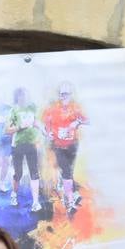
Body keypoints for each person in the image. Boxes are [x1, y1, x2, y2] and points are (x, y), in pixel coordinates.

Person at [43, 81, 88, 214]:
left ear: (71, 94)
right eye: (62, 94)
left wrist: (77, 122)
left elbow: (88, 120)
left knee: (69, 172)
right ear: (59, 95)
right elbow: (46, 126)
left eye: (67, 94)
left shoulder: (76, 108)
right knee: (67, 172)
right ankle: (70, 202)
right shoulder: (52, 110)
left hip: (73, 145)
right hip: (58, 146)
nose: (64, 97)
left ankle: (68, 193)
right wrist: (48, 133)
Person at [7, 87, 43, 212]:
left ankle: (36, 202)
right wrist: (20, 127)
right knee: (19, 173)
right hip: (17, 145)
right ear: (17, 97)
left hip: (31, 144)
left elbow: (36, 122)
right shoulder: (13, 110)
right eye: (21, 95)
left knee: (34, 172)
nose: (23, 98)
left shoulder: (32, 107)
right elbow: (7, 130)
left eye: (25, 95)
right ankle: (14, 194)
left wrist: (43, 130)